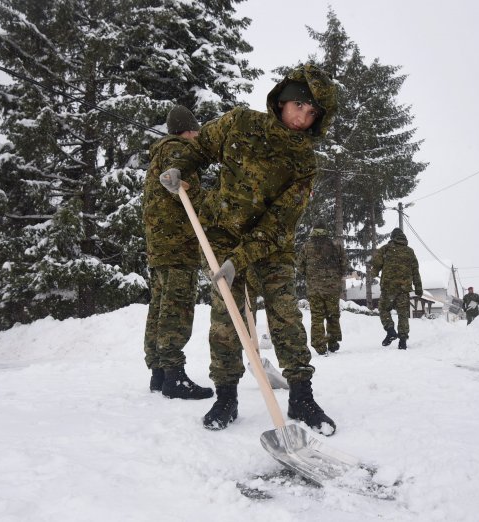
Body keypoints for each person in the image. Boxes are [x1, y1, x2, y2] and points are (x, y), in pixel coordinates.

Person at [159, 63, 338, 436]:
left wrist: (239, 260)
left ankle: (302, 396)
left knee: (285, 315)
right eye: (298, 107)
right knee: (226, 320)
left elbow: (280, 222)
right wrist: (178, 169)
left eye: (311, 114)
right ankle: (226, 396)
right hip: (223, 232)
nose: (302, 118)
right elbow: (199, 148)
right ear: (283, 100)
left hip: (272, 246)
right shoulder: (240, 123)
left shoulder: (304, 161)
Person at [142, 105, 213, 400]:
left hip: (160, 247)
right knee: (177, 307)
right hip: (177, 246)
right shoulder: (178, 150)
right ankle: (174, 376)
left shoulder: (158, 154)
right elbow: (183, 189)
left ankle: (159, 373)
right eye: (197, 132)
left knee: (160, 306)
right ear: (190, 131)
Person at [369, 228, 423, 350]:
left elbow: (376, 264)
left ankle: (390, 330)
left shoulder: (386, 249)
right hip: (403, 289)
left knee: (383, 309)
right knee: (403, 314)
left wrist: (373, 274)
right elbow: (415, 271)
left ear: (392, 237)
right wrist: (418, 288)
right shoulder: (409, 252)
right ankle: (403, 340)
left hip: (388, 288)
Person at [297, 220, 346, 354]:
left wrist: (312, 276)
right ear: (326, 230)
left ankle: (319, 345)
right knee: (333, 315)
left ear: (313, 230)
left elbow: (300, 267)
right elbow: (344, 266)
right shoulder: (336, 245)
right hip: (332, 288)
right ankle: (333, 341)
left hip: (314, 288)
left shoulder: (306, 246)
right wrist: (335, 277)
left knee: (317, 317)